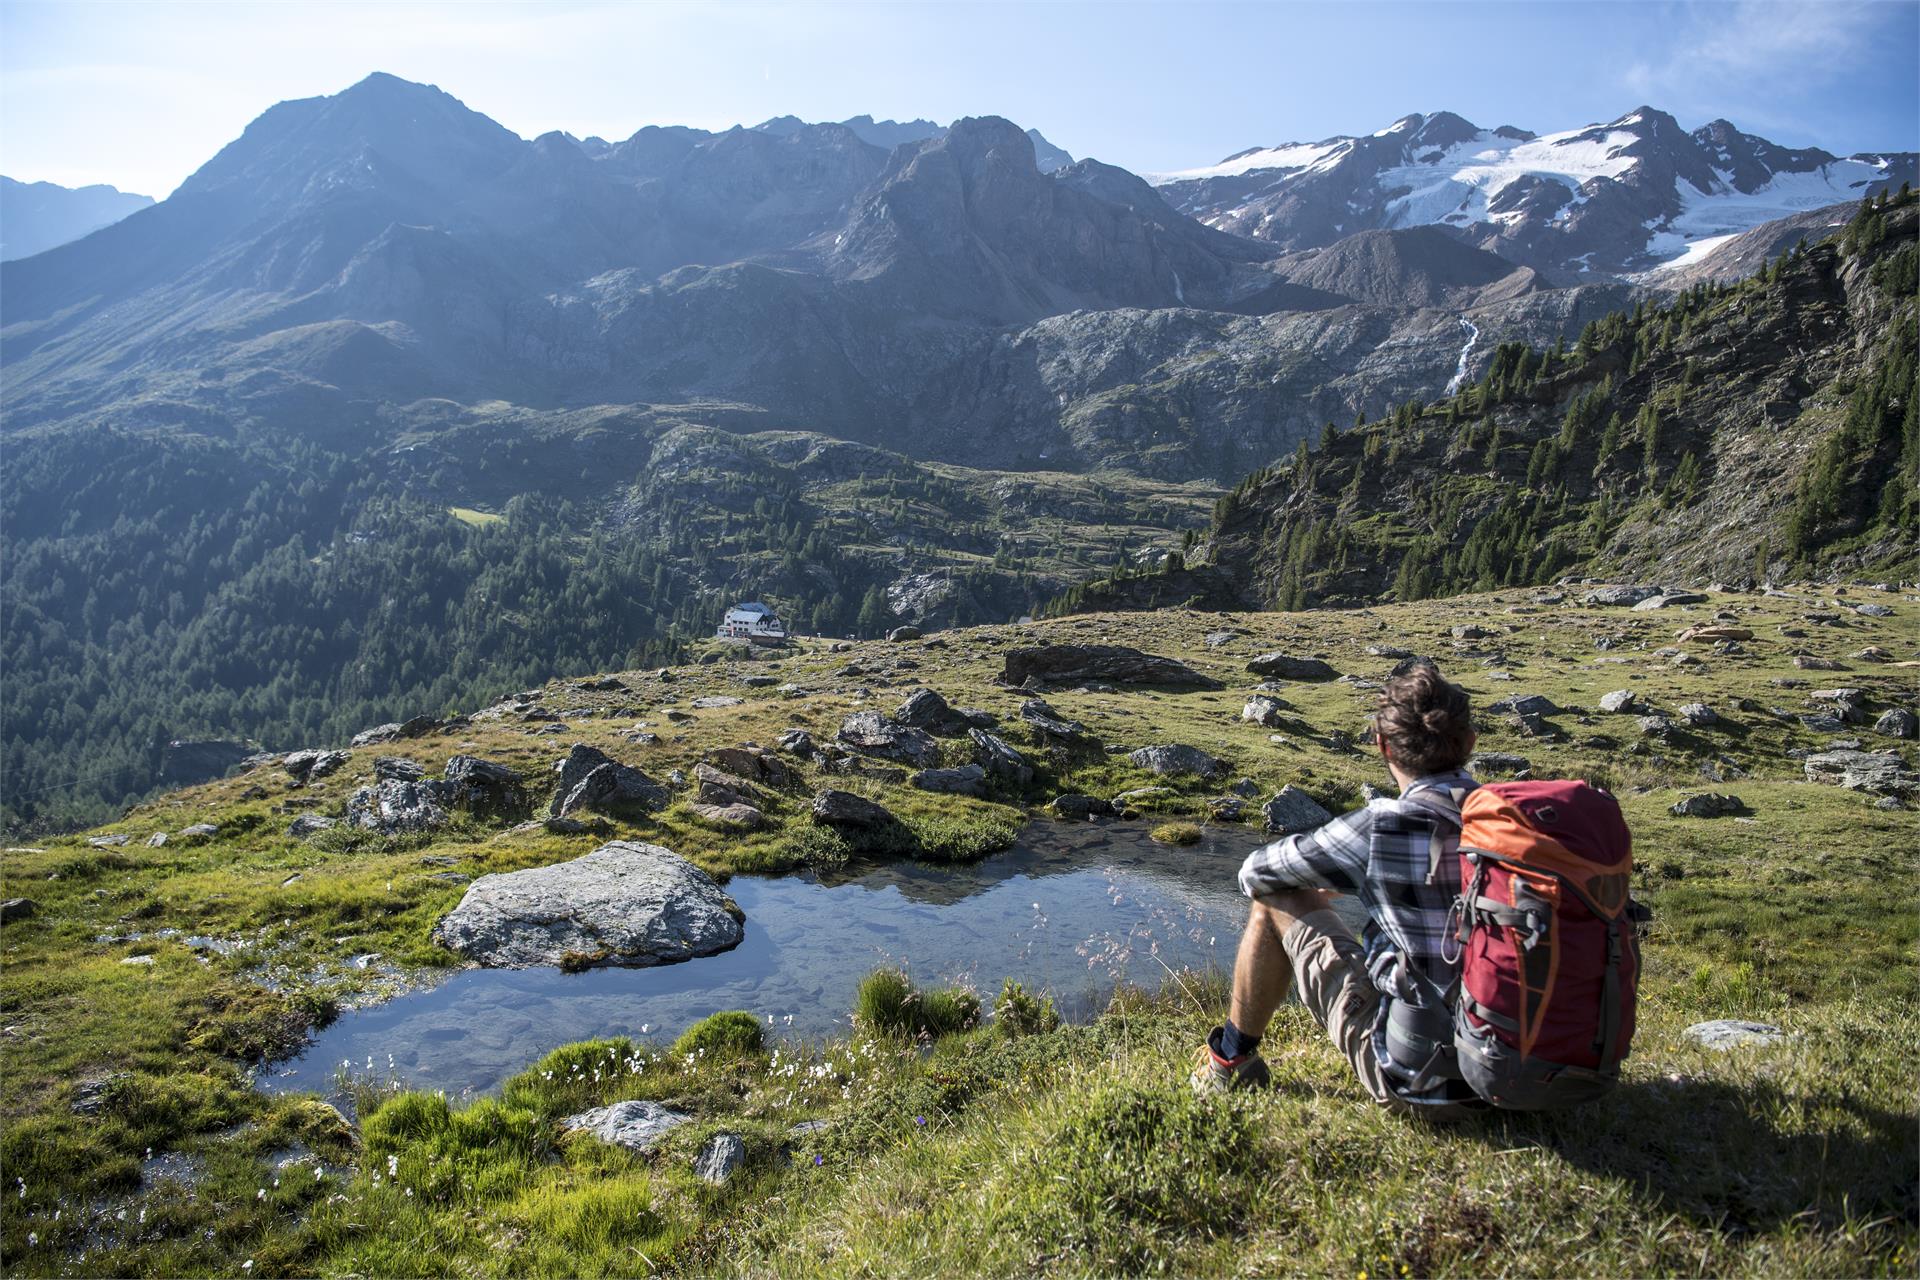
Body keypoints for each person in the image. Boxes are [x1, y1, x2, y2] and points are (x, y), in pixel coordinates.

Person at [1191, 659, 1483, 1116]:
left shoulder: (1382, 827)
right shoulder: (1522, 826)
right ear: (1469, 742)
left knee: (1276, 899)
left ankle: (1229, 1061)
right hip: (1546, 1066)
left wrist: (1335, 878)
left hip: (1429, 1082)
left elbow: (1254, 874)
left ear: (1384, 747)